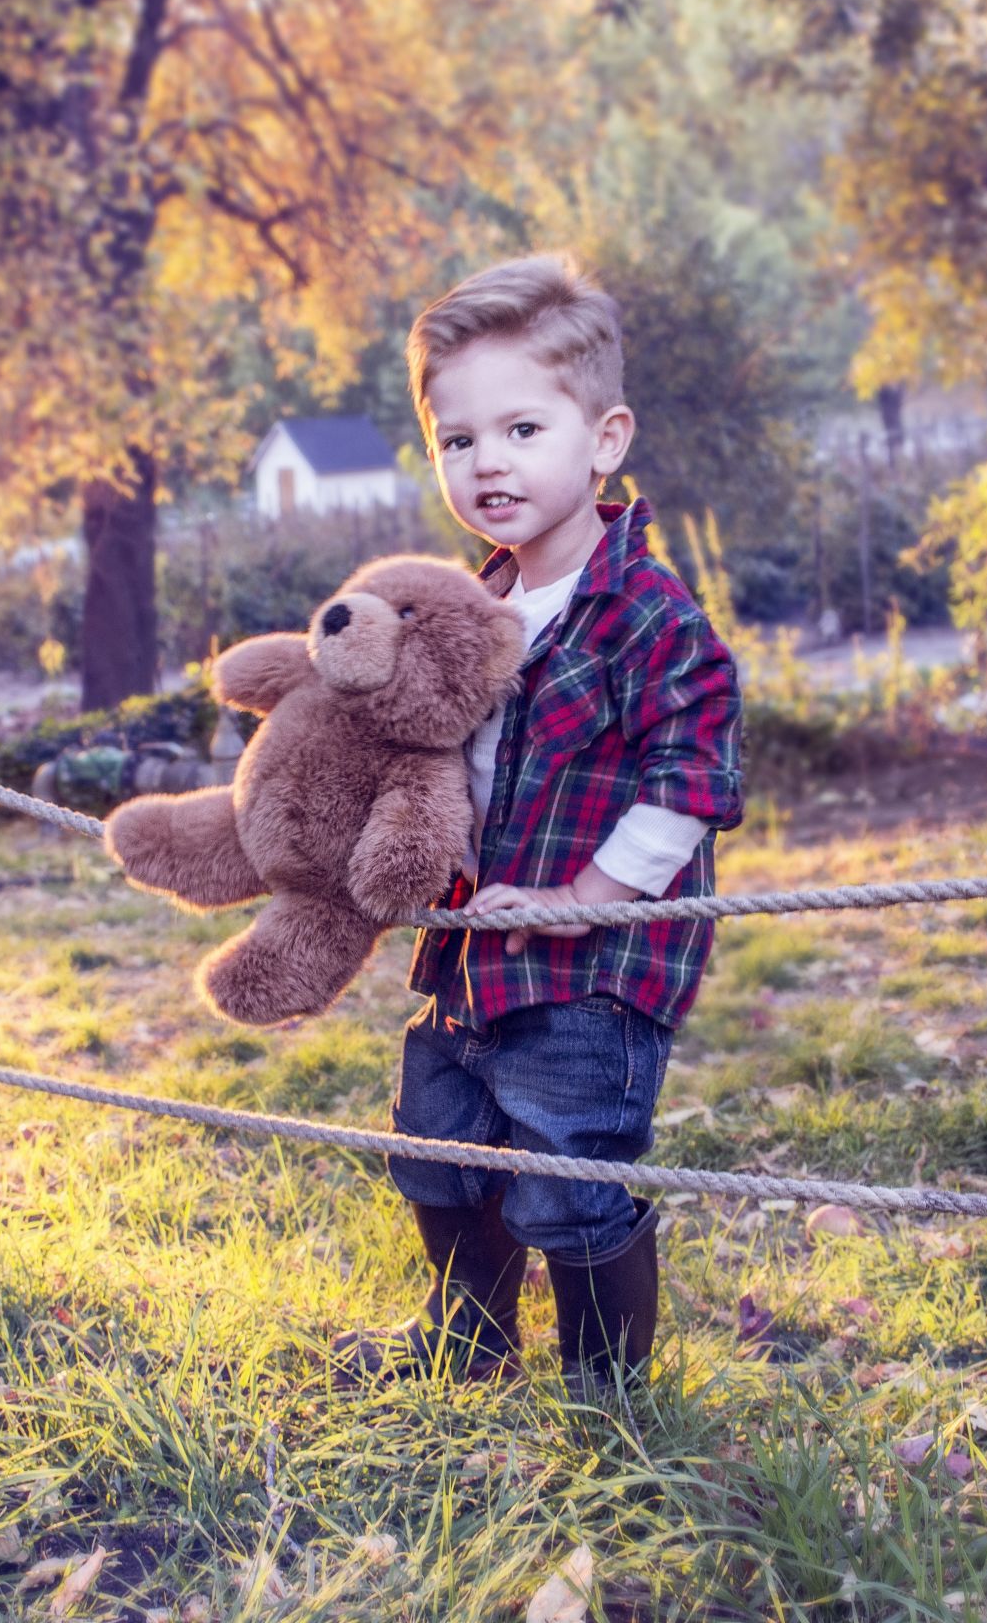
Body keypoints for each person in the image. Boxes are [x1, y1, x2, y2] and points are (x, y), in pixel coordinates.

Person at [331, 255, 743, 1398]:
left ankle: (607, 1386)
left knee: (568, 1168)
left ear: (603, 439)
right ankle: (468, 1340)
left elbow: (692, 777)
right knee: (437, 1145)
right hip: (470, 952)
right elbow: (440, 756)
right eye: (458, 439)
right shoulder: (471, 611)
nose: (488, 461)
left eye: (521, 427)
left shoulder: (646, 617)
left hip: (592, 972)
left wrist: (587, 903)